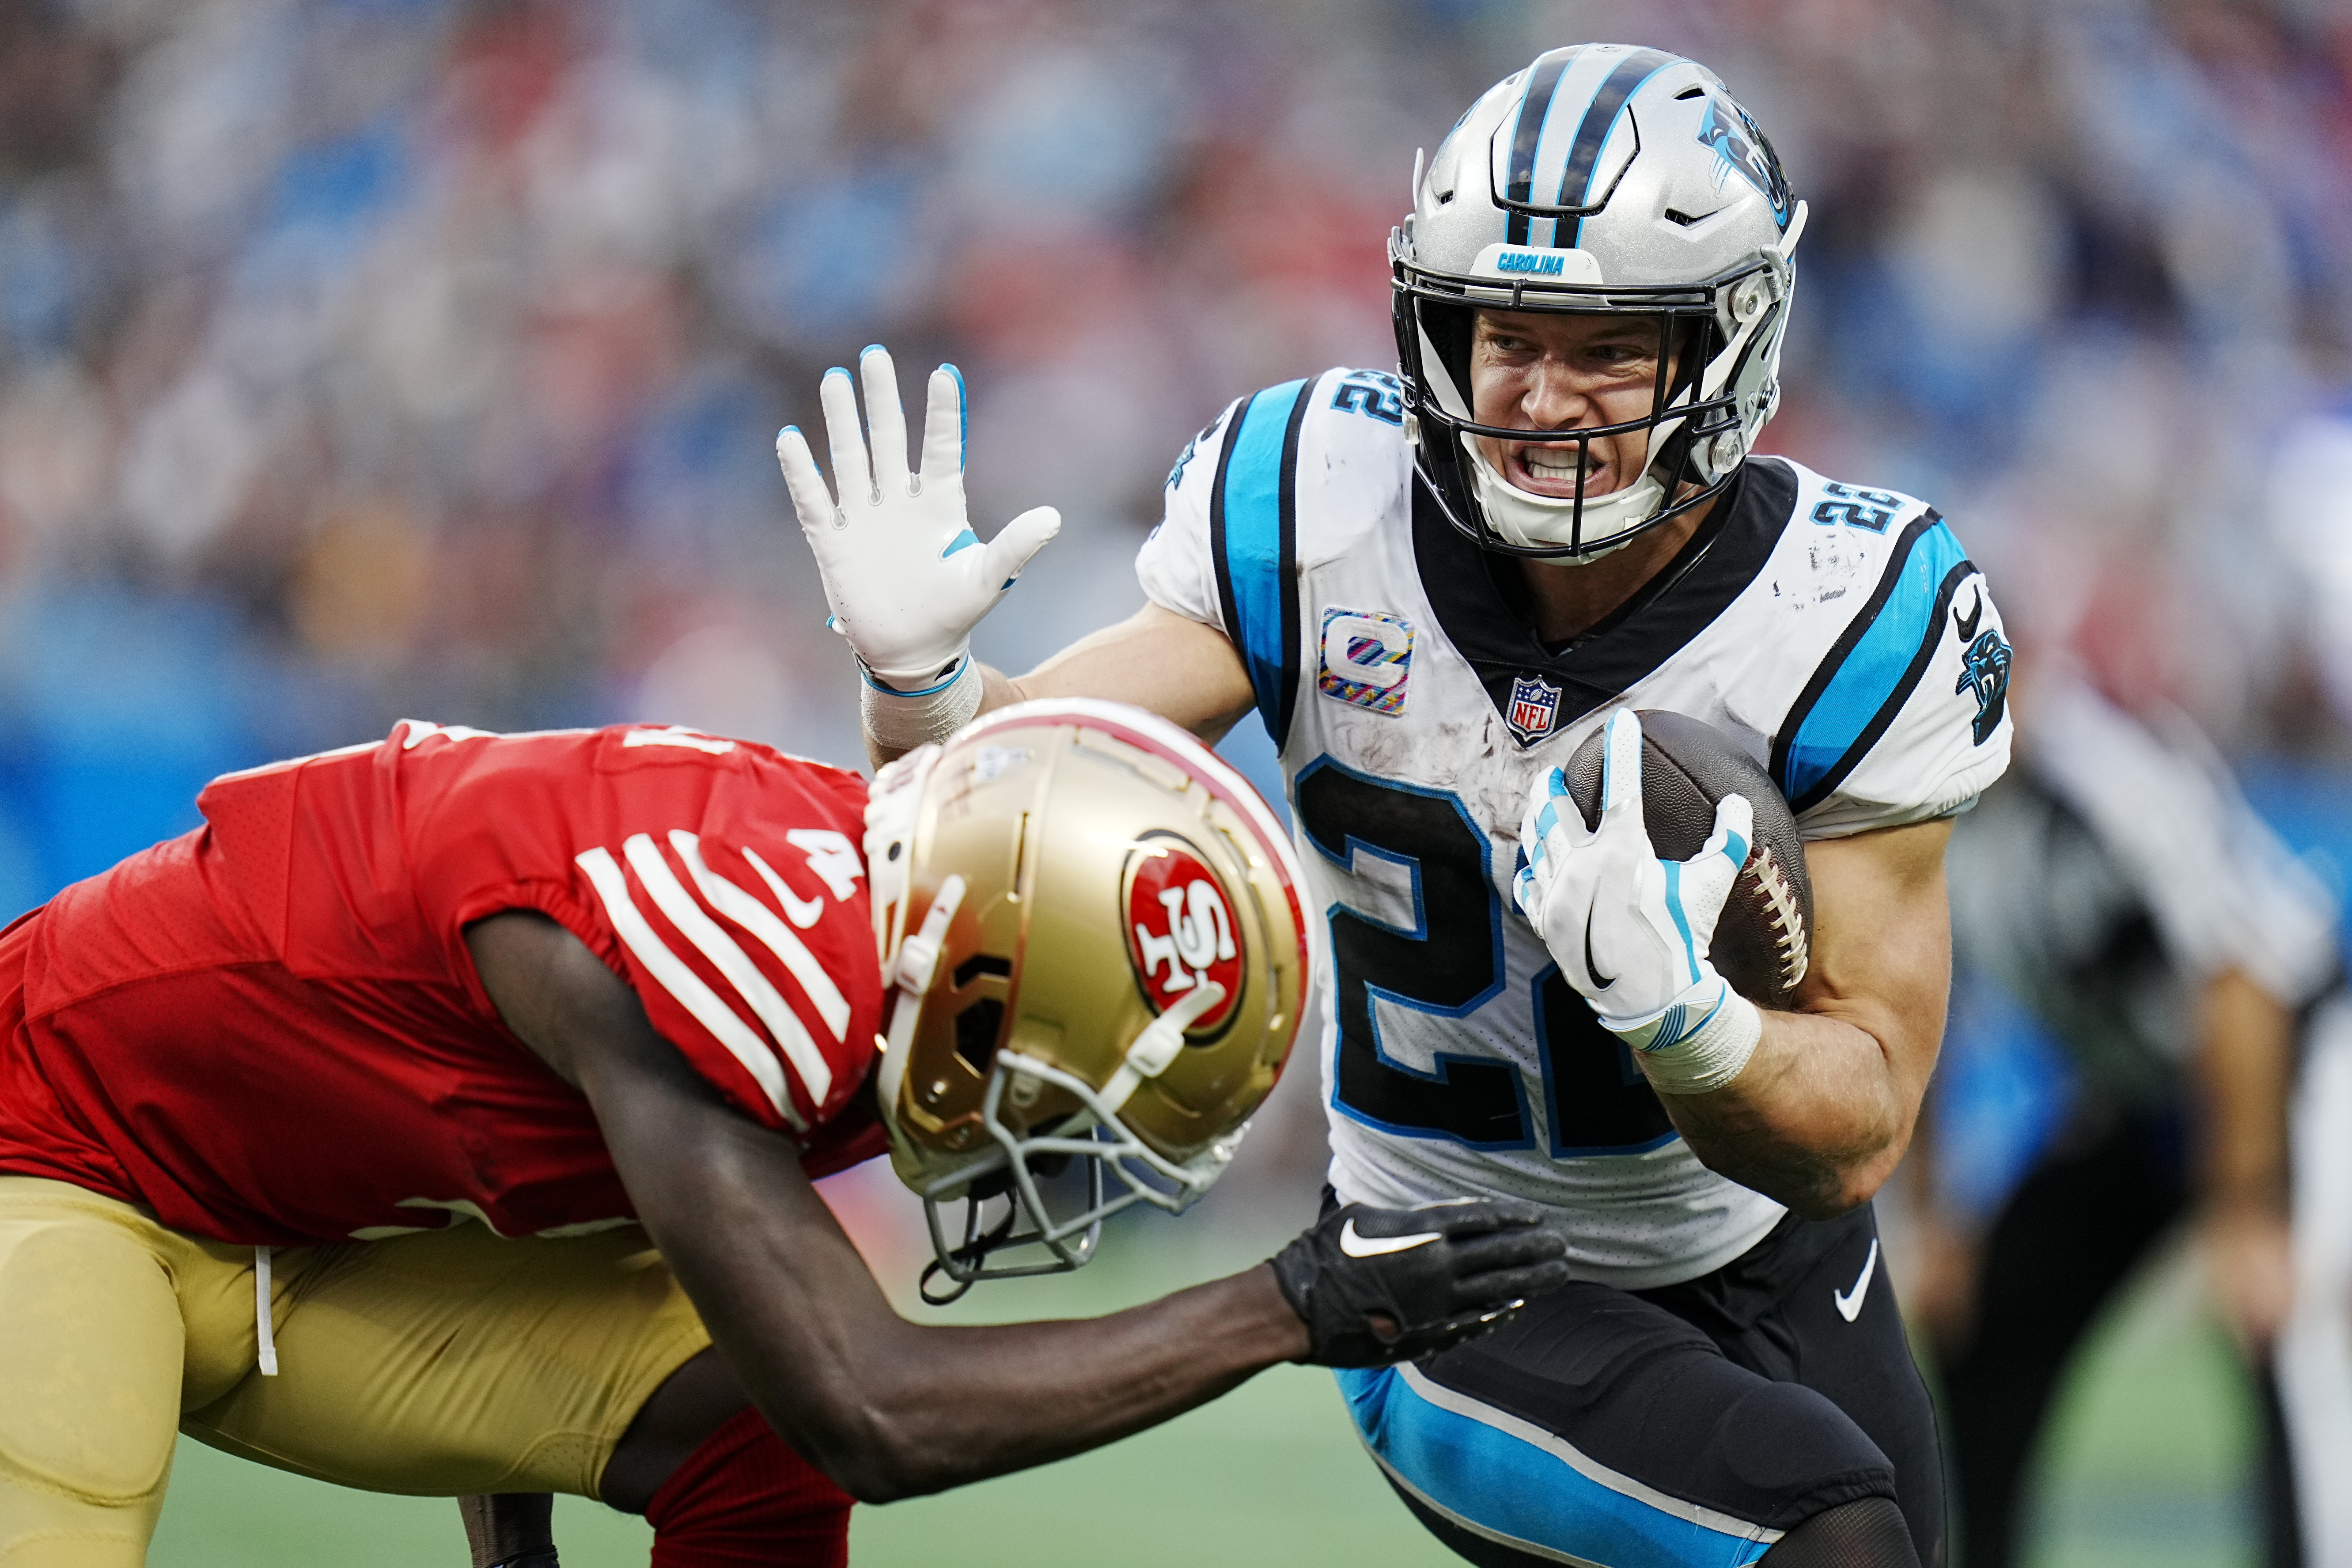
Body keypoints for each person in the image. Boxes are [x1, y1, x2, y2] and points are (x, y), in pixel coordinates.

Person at [783, 42, 2015, 1568]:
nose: (1537, 398)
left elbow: (1855, 1122)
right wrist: (921, 688)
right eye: (1503, 335)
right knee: (1825, 1537)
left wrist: (1679, 1018)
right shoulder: (1318, 494)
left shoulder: (1851, 607)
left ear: (1727, 343)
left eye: (1605, 349)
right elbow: (1000, 810)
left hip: (1766, 1253)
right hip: (1443, 1267)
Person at [0, 701, 1568, 1568]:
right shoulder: (732, 962)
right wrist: (1286, 1306)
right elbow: (870, 1420)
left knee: (741, 1412)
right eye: (1052, 1085)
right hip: (51, 1169)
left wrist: (509, 1527)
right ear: (985, 975)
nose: (1050, 1149)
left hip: (292, 1228)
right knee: (801, 1387)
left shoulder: (869, 924)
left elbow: (540, 1147)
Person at [1910, 664, 2341, 1568]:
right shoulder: (1924, 805)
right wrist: (1938, 1214)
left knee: (2286, 1338)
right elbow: (1919, 1017)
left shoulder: (2107, 774)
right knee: (1995, 1307)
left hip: (2290, 1066)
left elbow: (2242, 984)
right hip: (2147, 1095)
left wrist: (2248, 1207)